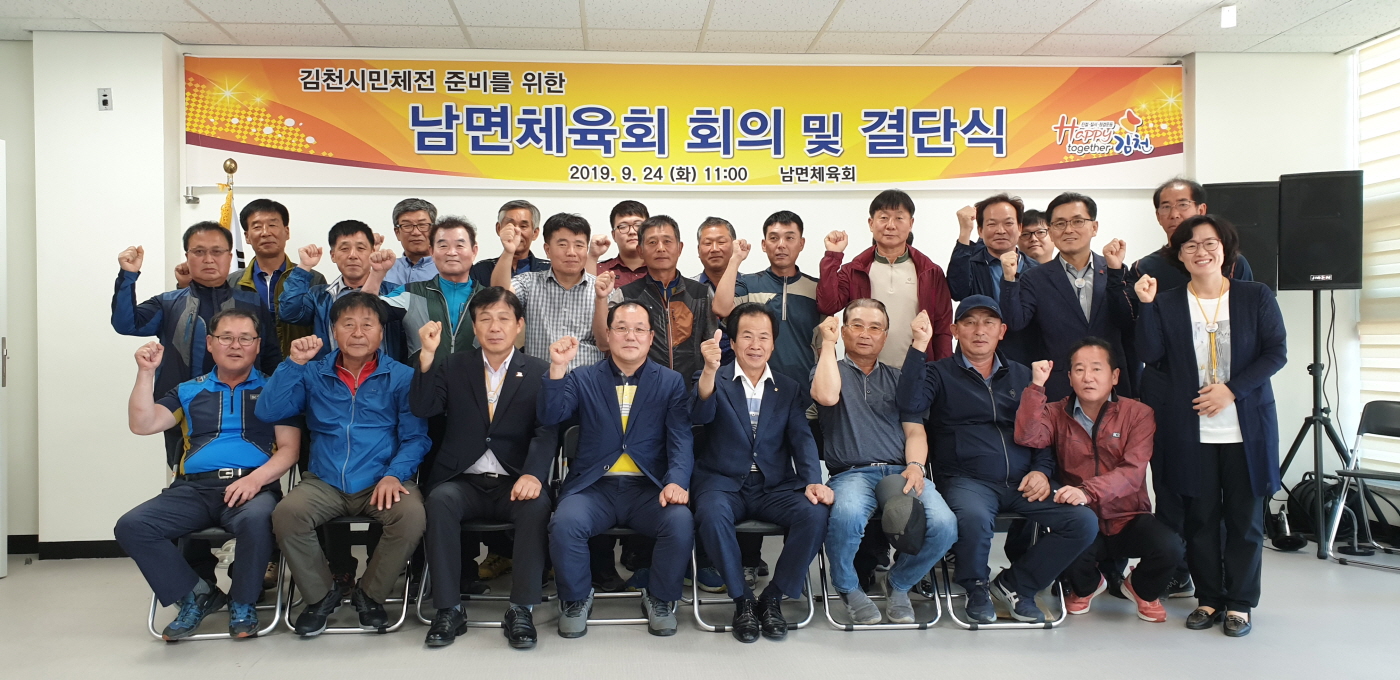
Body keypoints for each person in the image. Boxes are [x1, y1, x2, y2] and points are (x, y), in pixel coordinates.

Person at [897, 295, 1098, 624]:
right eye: (969, 322)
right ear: (955, 331)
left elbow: (1042, 432)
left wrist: (1041, 471)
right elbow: (909, 403)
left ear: (1002, 331)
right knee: (974, 518)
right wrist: (919, 347)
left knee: (1083, 521)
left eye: (988, 323)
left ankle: (1016, 585)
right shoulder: (937, 373)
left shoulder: (1023, 375)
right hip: (967, 480)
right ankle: (975, 587)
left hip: (1023, 480)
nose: (980, 330)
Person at [1134, 214, 1286, 638]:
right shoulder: (1167, 301)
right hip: (1192, 428)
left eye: (1209, 243)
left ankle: (1240, 603)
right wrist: (1145, 306)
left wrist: (1231, 391)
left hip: (1245, 427)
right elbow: (1149, 353)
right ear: (1179, 256)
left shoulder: (1255, 296)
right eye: (1190, 245)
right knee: (1200, 519)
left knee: (1245, 520)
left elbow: (1276, 352)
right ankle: (1209, 598)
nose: (1201, 251)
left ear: (1225, 248)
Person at [115, 310, 300, 640]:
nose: (235, 345)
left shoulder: (276, 389)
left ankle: (242, 602)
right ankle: (197, 594)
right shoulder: (188, 390)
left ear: (258, 346)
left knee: (258, 519)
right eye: (226, 337)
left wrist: (255, 480)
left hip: (253, 488)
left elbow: (289, 449)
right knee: (132, 526)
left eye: (245, 338)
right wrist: (146, 373)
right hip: (193, 490)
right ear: (210, 344)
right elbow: (142, 424)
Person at [259, 292, 430, 637]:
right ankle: (321, 596)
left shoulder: (401, 376)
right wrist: (293, 364)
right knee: (288, 514)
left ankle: (370, 595)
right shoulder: (312, 372)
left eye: (367, 324)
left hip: (381, 479)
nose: (358, 332)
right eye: (348, 324)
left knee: (411, 515)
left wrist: (394, 475)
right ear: (333, 331)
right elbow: (268, 411)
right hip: (325, 480)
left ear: (381, 332)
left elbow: (416, 438)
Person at [1128, 178, 1255, 600]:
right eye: (1165, 207)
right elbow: (1147, 346)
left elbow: (1261, 344)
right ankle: (1183, 573)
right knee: (1179, 493)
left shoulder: (1241, 274)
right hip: (1173, 400)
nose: (1174, 213)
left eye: (1182, 204)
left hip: (1231, 403)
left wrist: (1232, 389)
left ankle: (1232, 590)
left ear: (1201, 208)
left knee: (1234, 506)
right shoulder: (1147, 270)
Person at [539, 302, 695, 638]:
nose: (630, 336)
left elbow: (681, 439)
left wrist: (677, 481)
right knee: (565, 524)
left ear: (651, 337)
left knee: (680, 522)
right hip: (595, 488)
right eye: (621, 328)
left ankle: (660, 598)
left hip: (647, 490)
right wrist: (557, 368)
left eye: (639, 329)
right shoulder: (583, 377)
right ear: (607, 335)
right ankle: (576, 599)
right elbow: (551, 416)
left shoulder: (670, 382)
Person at [412, 287, 555, 649]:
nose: (494, 327)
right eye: (485, 319)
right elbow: (424, 408)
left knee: (536, 506)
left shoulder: (538, 371)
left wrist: (533, 474)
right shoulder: (453, 365)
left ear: (519, 325)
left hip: (514, 480)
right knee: (439, 501)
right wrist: (427, 356)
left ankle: (521, 609)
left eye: (504, 318)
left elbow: (547, 430)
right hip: (463, 480)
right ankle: (448, 608)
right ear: (474, 327)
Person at [1013, 339, 1185, 623]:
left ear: (1114, 376)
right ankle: (1089, 586)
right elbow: (1027, 436)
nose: (1088, 377)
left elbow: (1133, 471)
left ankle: (1140, 588)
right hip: (1084, 519)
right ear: (1069, 377)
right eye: (1079, 370)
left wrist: (1087, 491)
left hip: (1128, 516)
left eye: (1096, 369)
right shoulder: (1056, 412)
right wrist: (1037, 387)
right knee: (1064, 548)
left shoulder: (1138, 413)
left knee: (1171, 547)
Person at [691, 304, 832, 643]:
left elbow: (801, 439)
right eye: (747, 336)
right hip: (723, 484)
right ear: (733, 343)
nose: (755, 345)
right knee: (711, 514)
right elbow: (699, 414)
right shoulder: (713, 378)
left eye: (763, 337)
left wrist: (813, 481)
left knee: (815, 513)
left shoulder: (788, 387)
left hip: (774, 487)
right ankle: (742, 600)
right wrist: (709, 370)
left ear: (773, 344)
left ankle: (773, 597)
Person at [811, 300, 958, 626]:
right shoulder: (829, 369)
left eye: (875, 327)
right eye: (857, 325)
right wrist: (827, 344)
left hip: (901, 470)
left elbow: (915, 431)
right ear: (844, 331)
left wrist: (916, 466)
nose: (866, 334)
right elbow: (826, 397)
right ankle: (848, 588)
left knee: (945, 525)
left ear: (886, 336)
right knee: (847, 516)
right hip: (851, 474)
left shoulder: (899, 378)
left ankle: (899, 583)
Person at [113, 222, 281, 464]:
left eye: (217, 251)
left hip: (243, 412)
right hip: (180, 412)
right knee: (187, 473)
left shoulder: (252, 303)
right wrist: (128, 275)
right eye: (199, 252)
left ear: (230, 256)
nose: (208, 259)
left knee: (249, 473)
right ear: (187, 256)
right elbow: (125, 324)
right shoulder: (168, 304)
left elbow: (271, 357)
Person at [999, 191, 1136, 401]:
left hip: (1112, 385)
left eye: (1078, 221)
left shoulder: (1115, 270)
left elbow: (1127, 323)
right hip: (1060, 388)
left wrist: (1115, 273)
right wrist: (1009, 280)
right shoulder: (1034, 278)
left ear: (1094, 227)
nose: (1068, 229)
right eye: (1060, 224)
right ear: (1051, 231)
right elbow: (1016, 322)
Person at [817, 188, 953, 367]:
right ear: (871, 223)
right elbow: (827, 305)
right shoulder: (854, 270)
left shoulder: (930, 272)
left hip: (917, 370)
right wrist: (833, 256)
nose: (890, 225)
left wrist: (943, 372)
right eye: (883, 217)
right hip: (865, 371)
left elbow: (942, 329)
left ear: (911, 223)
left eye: (899, 218)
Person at [598, 215, 720, 389]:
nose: (661, 248)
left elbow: (711, 344)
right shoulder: (626, 295)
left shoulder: (701, 293)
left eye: (667, 241)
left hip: (691, 390)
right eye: (652, 242)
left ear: (680, 248)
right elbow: (606, 343)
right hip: (640, 390)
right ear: (640, 250)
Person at [494, 212, 602, 370]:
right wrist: (508, 252)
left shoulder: (601, 290)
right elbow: (500, 296)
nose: (571, 252)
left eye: (579, 245)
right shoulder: (529, 283)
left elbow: (606, 341)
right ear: (547, 249)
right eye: (562, 244)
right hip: (539, 377)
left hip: (587, 380)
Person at [279, 220, 395, 361]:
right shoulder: (319, 296)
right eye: (344, 249)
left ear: (373, 252)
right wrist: (304, 266)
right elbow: (289, 313)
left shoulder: (393, 293)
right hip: (331, 374)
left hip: (386, 373)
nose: (353, 255)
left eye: (360, 248)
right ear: (333, 255)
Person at [946, 194, 1042, 364]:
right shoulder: (970, 261)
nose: (1001, 230)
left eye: (1008, 223)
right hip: (974, 358)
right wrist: (964, 233)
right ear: (980, 231)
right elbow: (957, 291)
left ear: (1020, 228)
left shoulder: (1036, 271)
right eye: (992, 224)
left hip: (1022, 359)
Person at [734, 210, 823, 390]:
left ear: (801, 243)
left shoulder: (817, 289)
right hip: (753, 390)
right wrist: (735, 260)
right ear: (764, 244)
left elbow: (824, 347)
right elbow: (721, 309)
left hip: (805, 389)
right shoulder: (747, 284)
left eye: (789, 238)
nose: (781, 245)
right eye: (774, 238)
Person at [376, 218, 481, 365]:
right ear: (431, 251)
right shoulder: (410, 293)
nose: (451, 252)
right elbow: (363, 312)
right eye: (443, 246)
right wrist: (377, 274)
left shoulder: (488, 299)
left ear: (474, 251)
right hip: (421, 378)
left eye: (459, 245)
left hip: (476, 379)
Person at [227, 198, 323, 358]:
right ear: (247, 237)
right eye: (257, 227)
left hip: (299, 365)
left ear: (287, 232)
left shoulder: (313, 279)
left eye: (272, 225)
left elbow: (321, 330)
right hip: (248, 367)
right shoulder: (232, 282)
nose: (266, 232)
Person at [472, 199, 549, 286]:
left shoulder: (550, 270)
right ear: (499, 229)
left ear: (535, 233)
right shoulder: (481, 269)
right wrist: (508, 252)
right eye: (510, 225)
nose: (517, 231)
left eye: (523, 226)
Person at [383, 198, 440, 289]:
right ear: (397, 233)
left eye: (422, 225)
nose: (416, 232)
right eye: (407, 226)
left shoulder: (447, 269)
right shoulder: (385, 269)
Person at [594, 200, 650, 286]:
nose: (632, 232)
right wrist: (592, 256)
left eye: (638, 225)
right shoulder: (600, 271)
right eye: (623, 226)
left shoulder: (663, 269)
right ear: (614, 235)